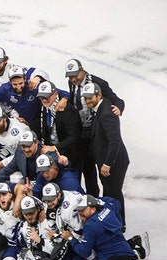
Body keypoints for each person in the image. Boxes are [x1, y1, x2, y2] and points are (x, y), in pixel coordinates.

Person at [65, 59, 125, 197]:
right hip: (81, 132)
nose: (73, 79)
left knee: (98, 168)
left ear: (83, 70)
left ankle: (98, 200)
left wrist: (119, 108)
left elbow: (116, 100)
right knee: (86, 168)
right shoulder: (72, 83)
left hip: (94, 131)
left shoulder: (99, 84)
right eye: (70, 76)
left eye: (75, 75)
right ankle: (91, 199)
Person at [82, 83, 130, 229]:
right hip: (108, 162)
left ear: (99, 95)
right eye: (86, 98)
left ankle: (117, 225)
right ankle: (119, 222)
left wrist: (107, 164)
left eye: (90, 98)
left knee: (112, 194)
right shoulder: (101, 108)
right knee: (113, 192)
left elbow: (114, 141)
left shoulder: (107, 113)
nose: (88, 101)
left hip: (113, 163)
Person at [33, 81, 81, 166]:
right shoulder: (45, 107)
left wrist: (54, 148)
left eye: (46, 97)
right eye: (41, 97)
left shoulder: (67, 110)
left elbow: (74, 137)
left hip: (69, 155)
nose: (44, 100)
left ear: (55, 94)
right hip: (52, 151)